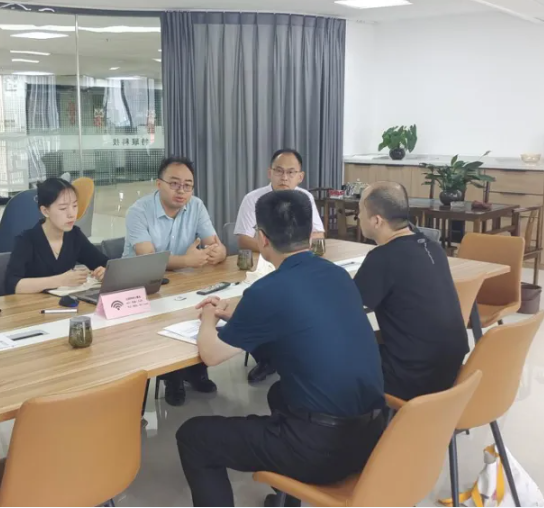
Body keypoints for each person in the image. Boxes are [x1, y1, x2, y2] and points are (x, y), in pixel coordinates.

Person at [176, 190, 385, 508]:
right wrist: (240, 314)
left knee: (194, 437)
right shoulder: (338, 275)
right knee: (279, 394)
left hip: (322, 449)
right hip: (372, 437)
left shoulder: (268, 289)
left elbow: (212, 355)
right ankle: (290, 498)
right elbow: (304, 315)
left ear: (262, 238)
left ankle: (297, 468)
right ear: (309, 234)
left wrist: (208, 317)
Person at [123, 156, 227, 406]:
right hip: (141, 285)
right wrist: (187, 260)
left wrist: (218, 253)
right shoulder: (138, 211)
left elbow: (216, 244)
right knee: (165, 321)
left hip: (182, 282)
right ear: (159, 184)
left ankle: (195, 370)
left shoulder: (196, 206)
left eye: (187, 185)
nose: (181, 191)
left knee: (202, 310)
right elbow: (148, 258)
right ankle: (172, 378)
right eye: (174, 184)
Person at [354, 181, 469, 401]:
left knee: (335, 353)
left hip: (412, 377)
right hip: (450, 370)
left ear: (376, 220)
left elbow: (346, 310)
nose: (357, 217)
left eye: (360, 211)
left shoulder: (383, 258)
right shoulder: (432, 247)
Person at [233, 148, 326, 384]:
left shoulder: (305, 198)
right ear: (269, 172)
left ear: (300, 176)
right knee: (263, 304)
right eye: (279, 171)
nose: (284, 177)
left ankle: (290, 351)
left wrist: (283, 248)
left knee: (300, 303)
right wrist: (285, 247)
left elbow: (319, 233)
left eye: (291, 172)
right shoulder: (253, 199)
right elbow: (243, 240)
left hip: (297, 264)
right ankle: (267, 358)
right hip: (264, 265)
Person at [5, 178, 109, 295]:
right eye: (63, 208)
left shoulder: (74, 235)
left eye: (75, 206)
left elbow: (104, 263)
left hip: (66, 303)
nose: (71, 214)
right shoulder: (27, 239)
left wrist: (104, 271)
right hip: (33, 304)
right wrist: (60, 280)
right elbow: (12, 285)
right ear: (45, 211)